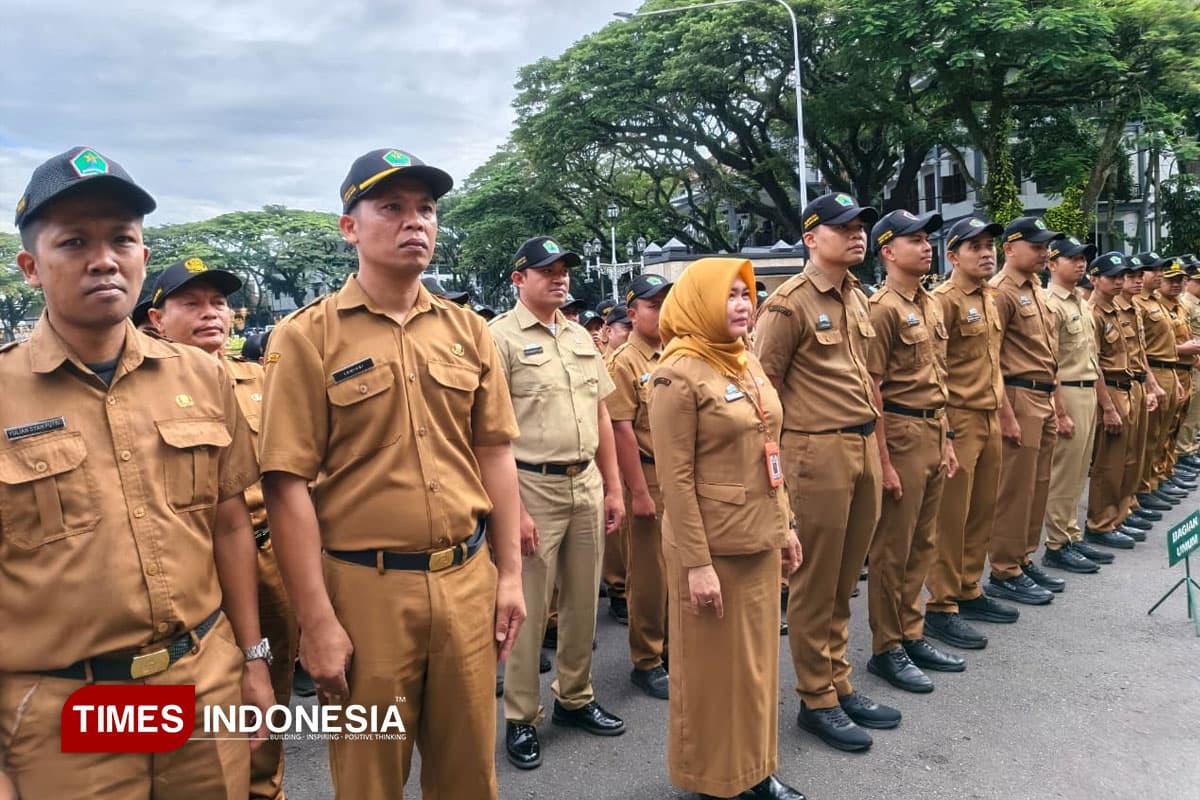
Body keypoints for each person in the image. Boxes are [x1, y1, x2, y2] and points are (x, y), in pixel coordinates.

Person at [0, 147, 270, 797]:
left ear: (143, 257)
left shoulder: (201, 377)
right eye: (74, 241)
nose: (103, 258)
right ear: (31, 267)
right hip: (67, 709)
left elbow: (230, 526)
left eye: (122, 238)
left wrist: (254, 662)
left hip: (201, 685)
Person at [258, 148, 526, 800]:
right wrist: (316, 622)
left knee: (469, 775)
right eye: (392, 207)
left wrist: (511, 574)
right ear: (349, 226)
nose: (416, 222)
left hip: (466, 579)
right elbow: (285, 483)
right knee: (368, 779)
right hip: (363, 592)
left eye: (426, 209)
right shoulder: (307, 338)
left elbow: (494, 451)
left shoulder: (468, 331)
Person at [649, 256, 805, 800]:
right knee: (714, 673)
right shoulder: (677, 373)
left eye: (747, 294)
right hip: (713, 550)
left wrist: (784, 526)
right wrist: (696, 565)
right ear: (698, 301)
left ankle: (754, 770)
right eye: (729, 295)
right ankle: (715, 779)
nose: (742, 305)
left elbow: (770, 448)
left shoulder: (743, 360)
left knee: (756, 669)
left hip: (758, 537)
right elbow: (676, 479)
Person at [146, 257, 299, 800]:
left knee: (270, 692)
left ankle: (267, 789)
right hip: (195, 569)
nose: (211, 313)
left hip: (266, 555)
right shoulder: (142, 392)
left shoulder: (260, 379)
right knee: (200, 712)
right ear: (155, 319)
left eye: (218, 303)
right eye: (191, 303)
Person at [755, 192, 896, 753]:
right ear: (812, 238)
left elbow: (866, 379)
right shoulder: (787, 304)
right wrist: (775, 480)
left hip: (860, 446)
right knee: (815, 583)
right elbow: (763, 395)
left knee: (844, 577)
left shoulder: (856, 296)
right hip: (816, 455)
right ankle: (817, 698)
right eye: (843, 227)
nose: (858, 233)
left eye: (861, 225)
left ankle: (838, 679)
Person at [491, 236, 627, 771]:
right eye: (545, 270)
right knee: (526, 605)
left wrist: (612, 487)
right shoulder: (498, 338)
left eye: (564, 268)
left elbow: (601, 416)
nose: (560, 277)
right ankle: (521, 716)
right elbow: (492, 438)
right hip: (531, 486)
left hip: (585, 481)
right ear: (519, 279)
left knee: (581, 602)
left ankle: (576, 696)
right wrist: (514, 511)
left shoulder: (579, 337)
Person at [862, 210, 963, 695]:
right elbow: (873, 392)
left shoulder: (930, 303)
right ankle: (886, 647)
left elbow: (937, 378)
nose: (927, 247)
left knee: (923, 542)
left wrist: (946, 440)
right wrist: (882, 462)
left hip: (932, 429)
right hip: (898, 433)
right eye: (915, 240)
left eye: (928, 239)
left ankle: (911, 630)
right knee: (892, 549)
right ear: (888, 251)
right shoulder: (880, 308)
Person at [925, 217, 1018, 651]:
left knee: (982, 509)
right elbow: (935, 369)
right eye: (974, 246)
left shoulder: (992, 298)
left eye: (989, 246)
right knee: (951, 518)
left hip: (988, 417)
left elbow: (993, 363)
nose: (986, 253)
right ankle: (941, 606)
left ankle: (968, 587)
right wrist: (943, 431)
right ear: (952, 255)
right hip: (958, 418)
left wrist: (1006, 414)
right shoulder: (942, 300)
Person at [983, 216, 1063, 605]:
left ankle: (1024, 555)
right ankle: (1004, 567)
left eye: (1046, 245)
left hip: (1043, 395)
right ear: (1010, 249)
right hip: (1018, 395)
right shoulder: (999, 292)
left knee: (1038, 483)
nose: (1044, 251)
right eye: (1036, 246)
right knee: (1014, 489)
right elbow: (991, 358)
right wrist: (1005, 414)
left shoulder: (1036, 288)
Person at [608, 273, 673, 699]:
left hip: (677, 475)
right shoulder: (624, 361)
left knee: (678, 569)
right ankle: (647, 658)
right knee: (648, 575)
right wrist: (639, 493)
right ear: (632, 314)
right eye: (653, 305)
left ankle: (673, 646)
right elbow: (621, 431)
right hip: (646, 474)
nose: (662, 311)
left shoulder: (674, 352)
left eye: (667, 302)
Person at [1040, 238, 1111, 574]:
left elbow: (1092, 357)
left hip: (1086, 391)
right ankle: (1056, 544)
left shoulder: (1081, 303)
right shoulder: (1049, 302)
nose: (1080, 264)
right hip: (1065, 392)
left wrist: (1102, 401)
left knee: (1080, 470)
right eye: (1072, 258)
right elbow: (1049, 362)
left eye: (1083, 258)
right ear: (1052, 263)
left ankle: (1071, 534)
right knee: (1063, 474)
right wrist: (1059, 411)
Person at [1083, 254, 1144, 549]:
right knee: (1108, 463)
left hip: (1127, 386)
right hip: (1110, 390)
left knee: (1127, 458)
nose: (1119, 281)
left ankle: (1118, 516)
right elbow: (1093, 365)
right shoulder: (1093, 312)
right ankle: (1100, 523)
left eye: (1122, 276)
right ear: (1095, 279)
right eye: (1112, 277)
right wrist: (1107, 407)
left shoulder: (1116, 310)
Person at [1118, 259, 1168, 522]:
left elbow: (1139, 353)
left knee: (1142, 447)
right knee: (1117, 459)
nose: (1136, 280)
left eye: (1141, 275)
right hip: (1117, 386)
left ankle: (1132, 501)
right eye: (1131, 276)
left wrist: (1150, 384)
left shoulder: (1134, 308)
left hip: (1139, 381)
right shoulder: (1108, 308)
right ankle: (1109, 517)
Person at [1156, 259, 1200, 487]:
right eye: (1170, 280)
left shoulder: (1179, 306)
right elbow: (1154, 347)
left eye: (1179, 280)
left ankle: (1168, 470)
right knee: (1160, 431)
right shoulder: (1156, 306)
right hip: (1166, 370)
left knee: (1175, 425)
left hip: (1181, 371)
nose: (1175, 284)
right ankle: (1157, 479)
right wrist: (1185, 349)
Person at [1176, 256, 1200, 467]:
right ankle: (1183, 451)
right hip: (1190, 363)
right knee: (1189, 409)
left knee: (1194, 409)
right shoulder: (1185, 304)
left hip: (1193, 361)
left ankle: (1189, 447)